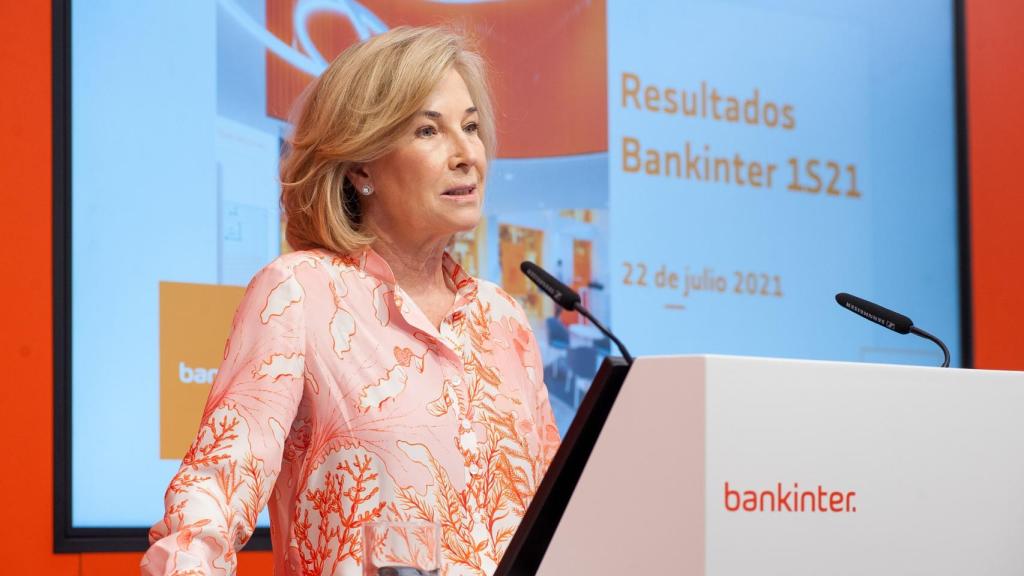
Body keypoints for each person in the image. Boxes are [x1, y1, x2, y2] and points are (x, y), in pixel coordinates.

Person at [142, 26, 560, 576]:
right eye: (429, 131)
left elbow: (560, 515)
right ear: (362, 164)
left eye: (472, 128)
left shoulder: (502, 318)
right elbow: (211, 497)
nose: (466, 155)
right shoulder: (301, 293)